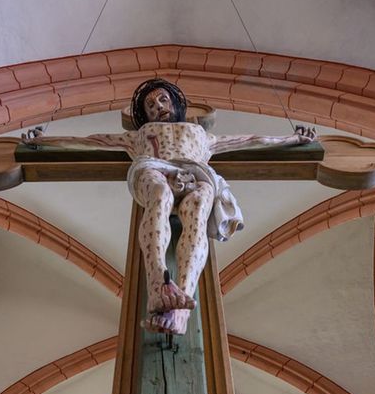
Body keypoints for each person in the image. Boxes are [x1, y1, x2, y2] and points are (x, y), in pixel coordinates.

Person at [22, 78, 315, 334]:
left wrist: (293, 138)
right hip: (154, 168)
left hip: (195, 173)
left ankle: (181, 308)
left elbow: (251, 140)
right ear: (144, 114)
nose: (158, 105)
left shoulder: (202, 135)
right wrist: (45, 141)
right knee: (160, 195)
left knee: (199, 208)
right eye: (150, 105)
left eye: (163, 99)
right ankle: (157, 286)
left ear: (174, 103)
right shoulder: (140, 135)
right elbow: (91, 141)